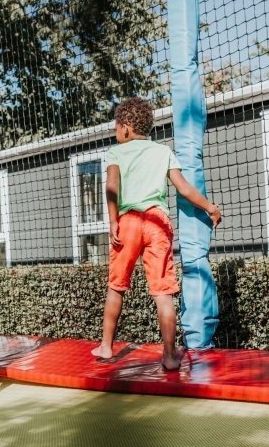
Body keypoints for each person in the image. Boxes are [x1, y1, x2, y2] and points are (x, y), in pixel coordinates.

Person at [92, 97, 222, 370]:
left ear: (125, 127)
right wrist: (210, 207)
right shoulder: (163, 152)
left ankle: (106, 347)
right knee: (163, 293)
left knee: (116, 286)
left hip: (127, 222)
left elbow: (112, 187)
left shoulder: (116, 152)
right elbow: (184, 188)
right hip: (157, 223)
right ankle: (169, 356)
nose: (116, 131)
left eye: (116, 126)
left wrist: (113, 221)